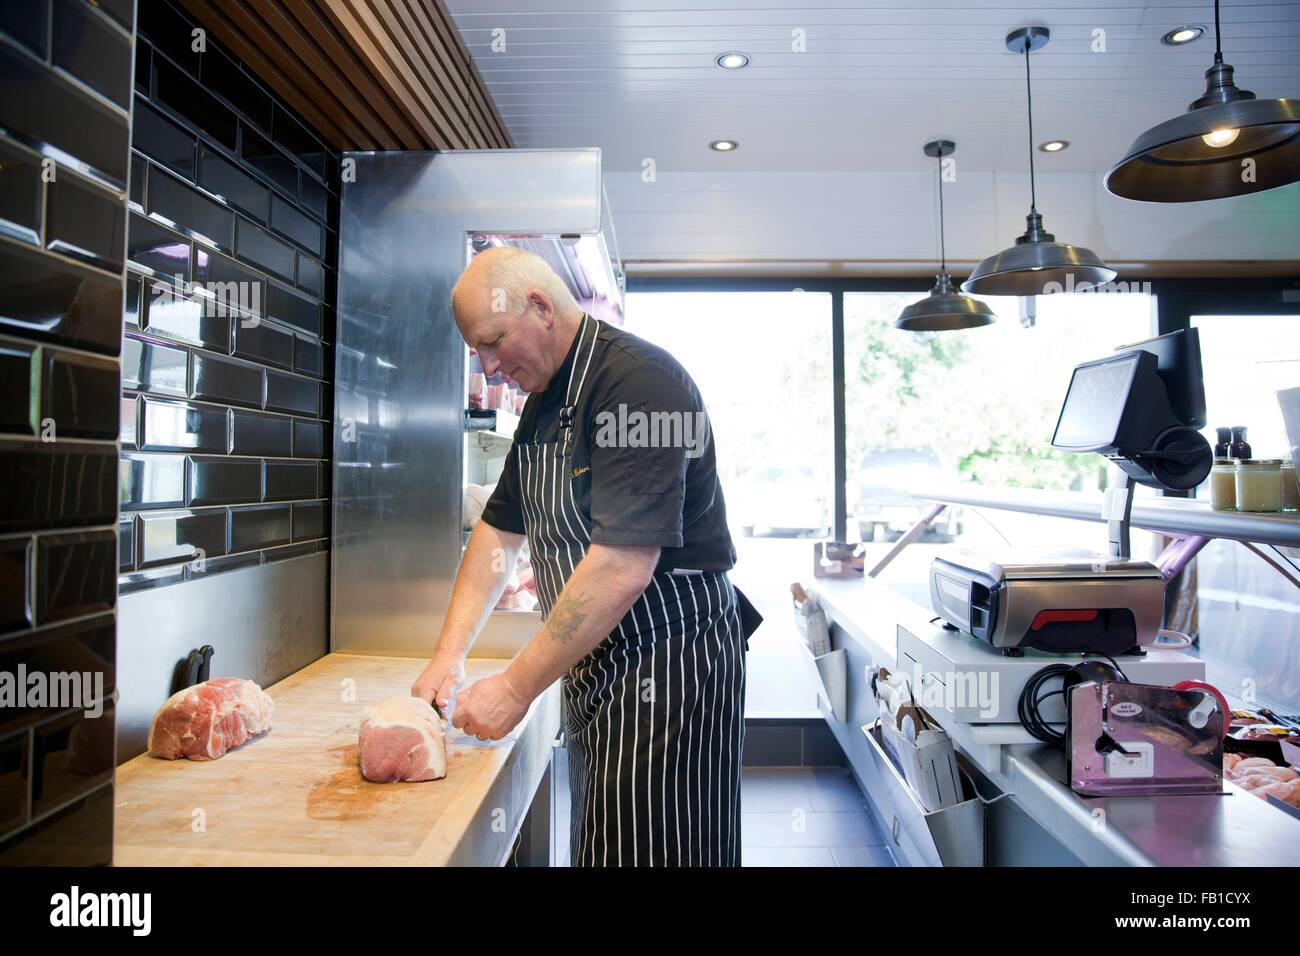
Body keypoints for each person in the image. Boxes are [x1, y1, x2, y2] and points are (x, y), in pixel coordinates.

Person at [412, 247, 760, 867]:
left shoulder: (640, 386)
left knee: (662, 849)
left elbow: (624, 564)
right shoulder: (548, 397)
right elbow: (499, 528)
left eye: (493, 344)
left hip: (670, 666)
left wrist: (515, 687)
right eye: (479, 355)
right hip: (599, 660)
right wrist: (449, 654)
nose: (489, 369)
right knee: (609, 842)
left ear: (541, 308)